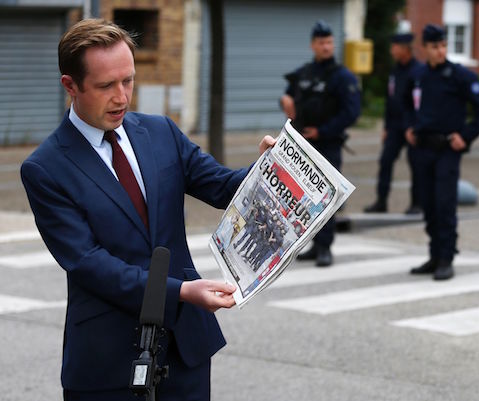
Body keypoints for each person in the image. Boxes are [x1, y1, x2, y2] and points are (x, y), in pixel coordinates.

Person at [19, 19, 276, 401]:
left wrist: (271, 170)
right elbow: (90, 264)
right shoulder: (45, 168)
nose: (122, 97)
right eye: (106, 86)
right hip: (106, 360)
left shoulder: (160, 132)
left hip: (185, 347)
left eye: (129, 81)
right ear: (70, 86)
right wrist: (182, 292)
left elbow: (221, 186)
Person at [405, 24, 479, 281]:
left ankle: (446, 258)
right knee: (428, 204)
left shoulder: (460, 76)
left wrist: (465, 137)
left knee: (444, 205)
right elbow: (403, 103)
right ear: (425, 48)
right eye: (435, 47)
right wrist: (408, 127)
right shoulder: (418, 74)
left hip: (446, 150)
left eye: (443, 46)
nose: (440, 51)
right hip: (422, 149)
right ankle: (434, 255)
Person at [280, 20, 361, 267]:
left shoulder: (342, 76)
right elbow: (287, 98)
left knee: (327, 198)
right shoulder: (304, 73)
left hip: (327, 144)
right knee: (306, 200)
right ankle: (314, 244)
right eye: (321, 43)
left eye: (329, 42)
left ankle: (325, 247)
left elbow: (351, 112)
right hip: (303, 146)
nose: (326, 47)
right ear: (313, 45)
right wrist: (285, 103)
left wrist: (323, 131)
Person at [364, 27, 423, 214]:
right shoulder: (395, 71)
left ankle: (417, 203)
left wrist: (415, 126)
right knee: (385, 161)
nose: (392, 50)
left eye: (395, 46)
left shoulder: (419, 71)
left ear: (405, 48)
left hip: (412, 127)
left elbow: (419, 104)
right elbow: (390, 100)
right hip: (396, 127)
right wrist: (386, 127)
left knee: (417, 165)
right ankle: (381, 201)